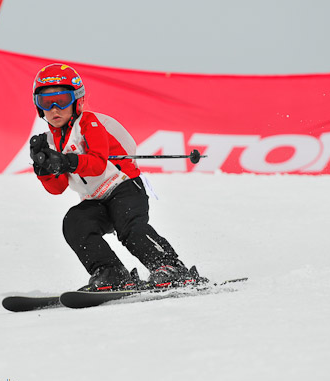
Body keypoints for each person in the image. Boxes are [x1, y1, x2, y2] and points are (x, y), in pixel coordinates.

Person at [29, 63, 206, 291]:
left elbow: (97, 164)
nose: (54, 109)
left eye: (62, 100)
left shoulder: (89, 123)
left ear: (77, 100)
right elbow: (58, 188)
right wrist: (44, 170)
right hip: (95, 199)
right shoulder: (50, 141)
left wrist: (66, 161)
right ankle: (111, 272)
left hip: (124, 187)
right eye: (46, 102)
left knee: (130, 229)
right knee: (75, 223)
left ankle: (170, 267)